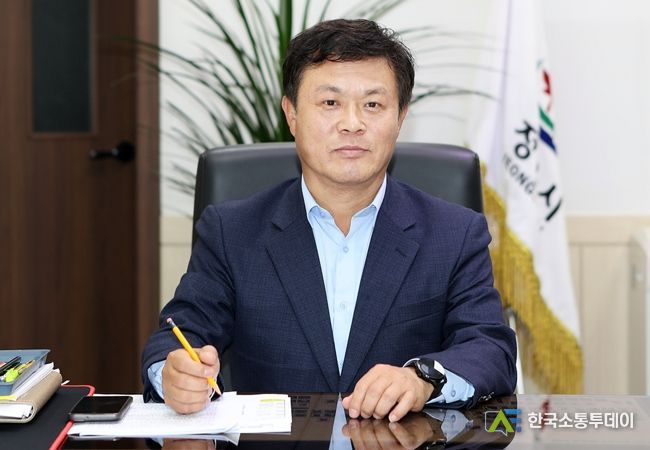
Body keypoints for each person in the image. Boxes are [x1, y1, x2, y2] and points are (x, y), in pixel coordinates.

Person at [142, 18, 517, 422]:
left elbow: (490, 349)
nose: (352, 123)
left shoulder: (454, 233)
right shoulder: (232, 232)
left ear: (400, 117)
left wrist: (423, 378)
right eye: (330, 103)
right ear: (291, 114)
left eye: (372, 105)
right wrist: (174, 373)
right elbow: (177, 337)